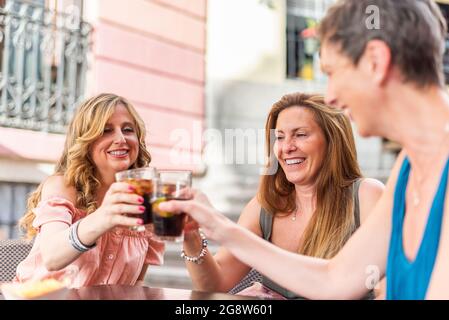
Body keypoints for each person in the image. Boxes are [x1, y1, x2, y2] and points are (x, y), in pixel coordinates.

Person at [159, 0, 449, 299]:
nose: (332, 96)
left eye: (333, 72)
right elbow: (336, 280)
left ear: (375, 61)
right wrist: (217, 226)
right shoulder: (408, 166)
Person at [180, 93, 384, 299]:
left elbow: (386, 288)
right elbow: (214, 284)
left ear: (332, 141)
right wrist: (191, 237)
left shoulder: (367, 195)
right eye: (279, 137)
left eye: (301, 134)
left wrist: (222, 227)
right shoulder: (266, 206)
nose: (287, 147)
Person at [15, 93, 164, 287]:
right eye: (105, 130)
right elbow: (52, 257)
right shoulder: (63, 186)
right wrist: (105, 217)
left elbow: (137, 282)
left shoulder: (145, 199)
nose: (120, 138)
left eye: (128, 130)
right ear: (85, 141)